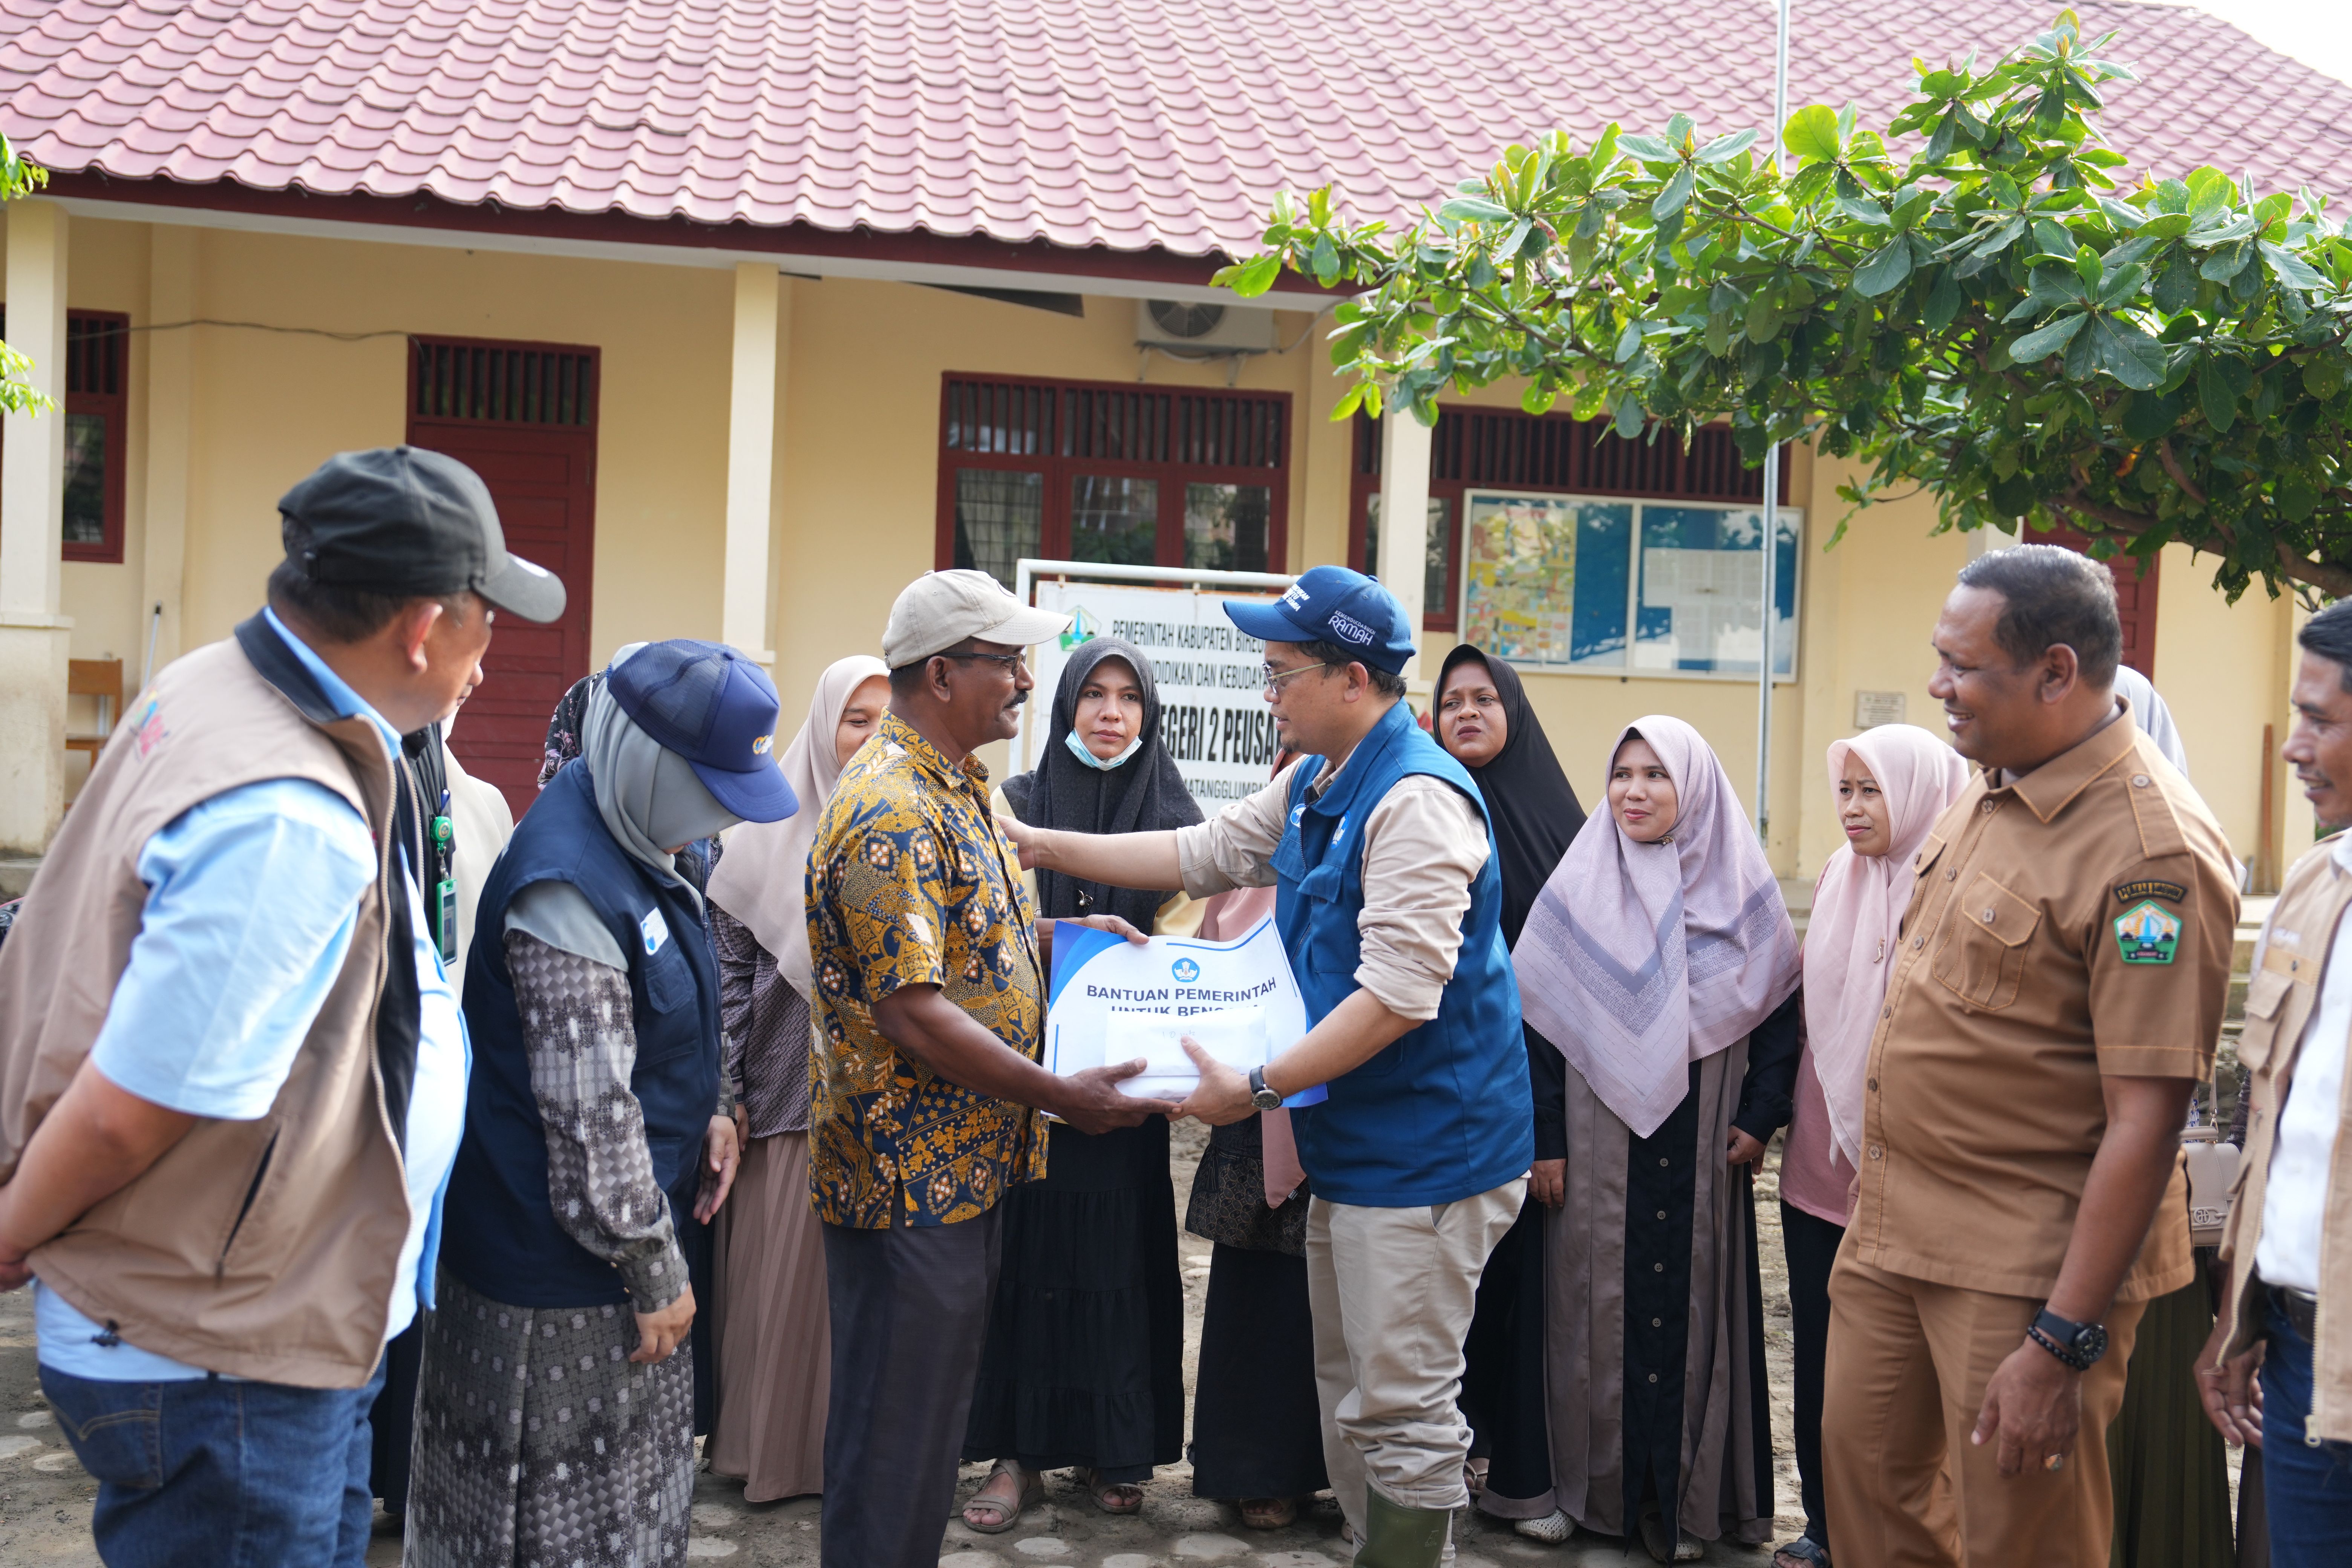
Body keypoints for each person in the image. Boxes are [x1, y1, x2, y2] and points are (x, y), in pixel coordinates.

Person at [0, 446, 563, 1566]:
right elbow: (135, 1105)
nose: (487, 658)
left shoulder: (232, 681)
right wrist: (11, 1236)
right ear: (420, 627)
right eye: (484, 622)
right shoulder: (284, 813)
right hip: (221, 1354)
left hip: (261, 1324)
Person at [997, 564, 1536, 1568]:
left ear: (1354, 680)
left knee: (1404, 1405)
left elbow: (1399, 999)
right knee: (1357, 1397)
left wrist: (1249, 1092)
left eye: (1283, 671)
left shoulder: (1416, 802)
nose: (1268, 691)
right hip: (1358, 1149)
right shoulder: (1318, 778)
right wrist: (1035, 843)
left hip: (1431, 1158)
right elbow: (1201, 853)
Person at [1820, 544, 2237, 1568]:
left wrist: (2059, 1343)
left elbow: (2147, 1119)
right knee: (1867, 1494)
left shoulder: (2153, 854)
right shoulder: (1989, 783)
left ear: (2057, 671)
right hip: (1893, 1231)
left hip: (2022, 1269)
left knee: (2023, 1540)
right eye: (1939, 657)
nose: (1938, 685)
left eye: (1965, 667)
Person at [806, 569, 1173, 1568]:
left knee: (919, 1437)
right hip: (904, 1181)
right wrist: (1061, 1096)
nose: (1024, 679)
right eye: (1005, 661)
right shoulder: (889, 808)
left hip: (962, 1174)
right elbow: (913, 1011)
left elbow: (967, 932)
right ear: (940, 673)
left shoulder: (958, 783)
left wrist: (1058, 934)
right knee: (898, 1436)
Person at [405, 639, 794, 1568]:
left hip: (620, 1265)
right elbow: (591, 1126)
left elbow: (662, 1013)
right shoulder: (566, 886)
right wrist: (656, 1270)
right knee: (550, 1534)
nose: (716, 823)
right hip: (558, 1293)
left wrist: (710, 1108)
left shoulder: (640, 838)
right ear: (648, 762)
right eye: (708, 791)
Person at [1511, 717, 1801, 1561]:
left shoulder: (1744, 891)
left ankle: (1681, 1497)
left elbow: (1783, 1009)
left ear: (1695, 788)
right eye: (1622, 774)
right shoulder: (1576, 887)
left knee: (1694, 1309)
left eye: (1656, 776)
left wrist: (1758, 1117)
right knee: (1584, 1311)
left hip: (1706, 1143)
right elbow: (1537, 1027)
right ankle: (1587, 1488)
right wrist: (1547, 1141)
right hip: (1595, 1148)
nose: (1634, 791)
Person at [960, 635, 1204, 1528]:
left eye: (1128, 697)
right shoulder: (1017, 805)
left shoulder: (1175, 815)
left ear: (1149, 712)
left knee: (1116, 1262)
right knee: (1030, 1257)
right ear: (1065, 705)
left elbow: (1194, 951)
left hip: (1131, 1081)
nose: (1110, 712)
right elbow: (985, 932)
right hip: (1030, 1076)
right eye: (1094, 694)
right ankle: (1015, 1453)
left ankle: (1115, 1446)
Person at [1774, 724, 1968, 1568]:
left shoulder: (1954, 886)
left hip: (1917, 1172)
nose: (1852, 809)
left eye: (1871, 791)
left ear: (1919, 790)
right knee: (1821, 1358)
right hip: (1823, 1161)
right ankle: (1826, 1524)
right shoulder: (1838, 878)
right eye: (1845, 791)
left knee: (1911, 1377)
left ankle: (1914, 1535)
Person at [698, 653, 890, 1502]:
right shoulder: (757, 841)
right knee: (780, 1288)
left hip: (884, 1111)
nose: (871, 739)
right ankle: (765, 1452)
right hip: (780, 1104)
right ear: (822, 729)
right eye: (856, 720)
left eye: (889, 721)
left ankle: (847, 1457)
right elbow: (728, 988)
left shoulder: (902, 837)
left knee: (858, 1298)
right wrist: (729, 1100)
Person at [2201, 596, 2352, 1566]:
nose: (2294, 746)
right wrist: (2239, 1318)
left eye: (2323, 720)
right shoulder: (2315, 884)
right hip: (2301, 1360)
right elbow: (2278, 1137)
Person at [1429, 642, 1588, 1543]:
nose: (1468, 714)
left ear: (1515, 711)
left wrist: (1550, 1128)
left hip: (1527, 1099)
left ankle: (1515, 1464)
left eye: (1486, 699)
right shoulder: (1423, 805)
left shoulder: (1557, 828)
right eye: (1452, 701)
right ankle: (1451, 1454)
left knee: (1518, 1285)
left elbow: (1564, 999)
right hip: (1436, 1091)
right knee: (1444, 1285)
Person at [369, 697, 519, 1521]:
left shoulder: (485, 806)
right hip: (383, 1096)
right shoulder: (370, 792)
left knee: (430, 1297)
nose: (477, 683)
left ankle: (408, 1472)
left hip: (456, 1086)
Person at [1181, 763, 1329, 1530]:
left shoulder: (1362, 867)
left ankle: (1329, 1470)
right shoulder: (1239, 882)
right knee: (1257, 1296)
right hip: (1251, 1110)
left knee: (1336, 1299)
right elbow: (1203, 983)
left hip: (1340, 1104)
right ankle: (1253, 1468)